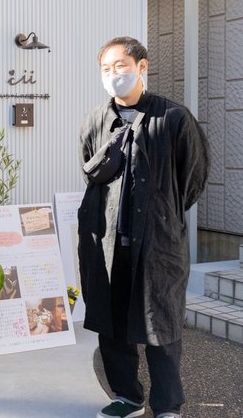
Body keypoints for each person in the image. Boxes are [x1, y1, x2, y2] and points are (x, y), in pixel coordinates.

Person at [77, 37, 209, 418]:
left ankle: (168, 405)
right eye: (106, 68)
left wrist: (163, 214)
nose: (113, 74)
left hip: (156, 243)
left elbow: (193, 177)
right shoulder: (96, 121)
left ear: (141, 66)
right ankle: (127, 396)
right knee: (113, 321)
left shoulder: (173, 118)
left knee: (160, 322)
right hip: (106, 240)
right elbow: (89, 169)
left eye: (121, 65)